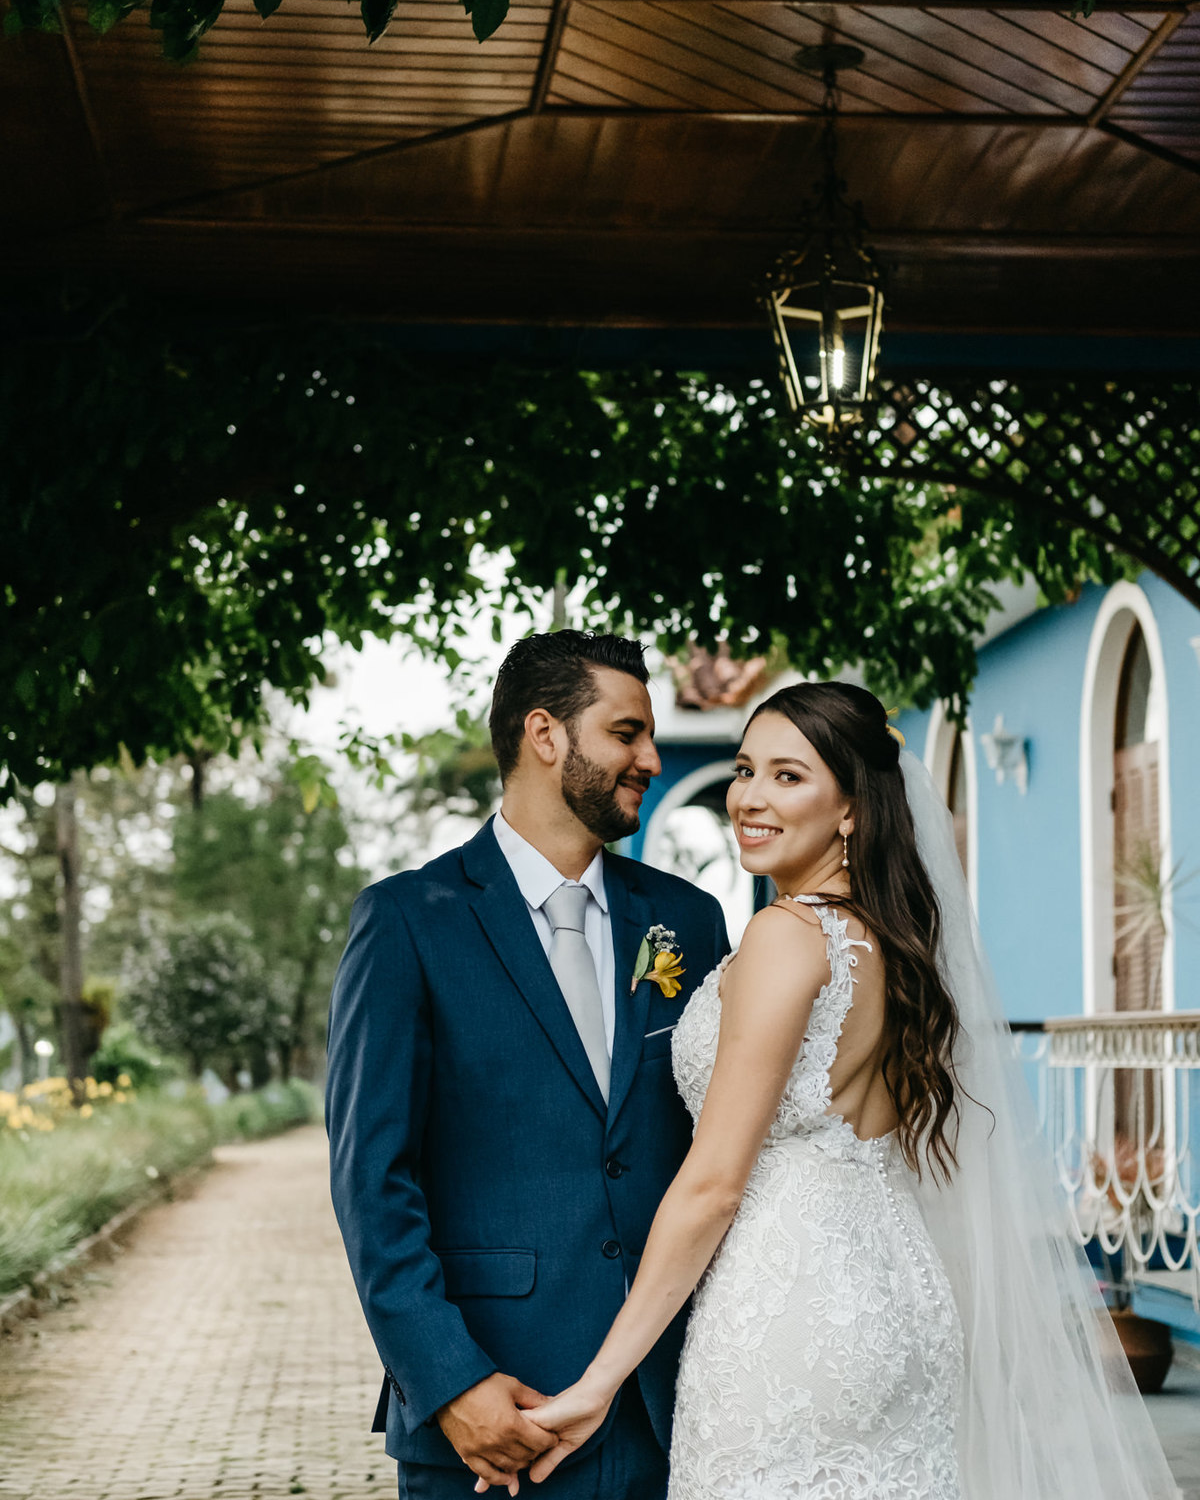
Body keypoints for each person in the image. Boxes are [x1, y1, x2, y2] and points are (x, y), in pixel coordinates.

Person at [505, 681, 1178, 1500]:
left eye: (789, 777)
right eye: (746, 769)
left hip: (789, 1311)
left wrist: (598, 1383)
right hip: (901, 1298)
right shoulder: (895, 942)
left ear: (852, 809)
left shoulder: (785, 936)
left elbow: (715, 1186)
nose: (749, 797)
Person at [325, 630, 731, 1500]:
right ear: (546, 735)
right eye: (627, 733)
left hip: (672, 1409)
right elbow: (371, 1183)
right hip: (494, 1422)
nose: (650, 758)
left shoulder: (689, 924)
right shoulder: (407, 922)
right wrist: (450, 1383)